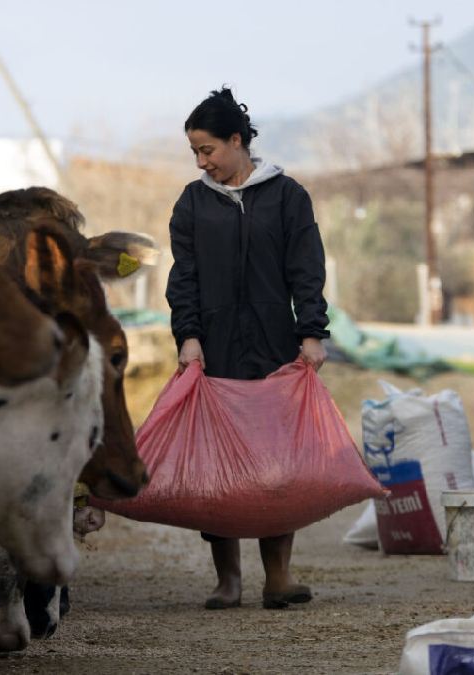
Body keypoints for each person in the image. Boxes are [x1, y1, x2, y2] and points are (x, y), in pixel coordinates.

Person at [165, 87, 330, 610]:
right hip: (214, 351)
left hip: (273, 347)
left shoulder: (286, 196)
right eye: (195, 152)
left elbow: (306, 269)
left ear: (237, 141)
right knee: (218, 467)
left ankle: (277, 577)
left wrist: (311, 332)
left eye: (208, 150)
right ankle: (227, 580)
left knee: (275, 466)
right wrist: (188, 336)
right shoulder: (193, 203)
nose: (201, 162)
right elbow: (183, 276)